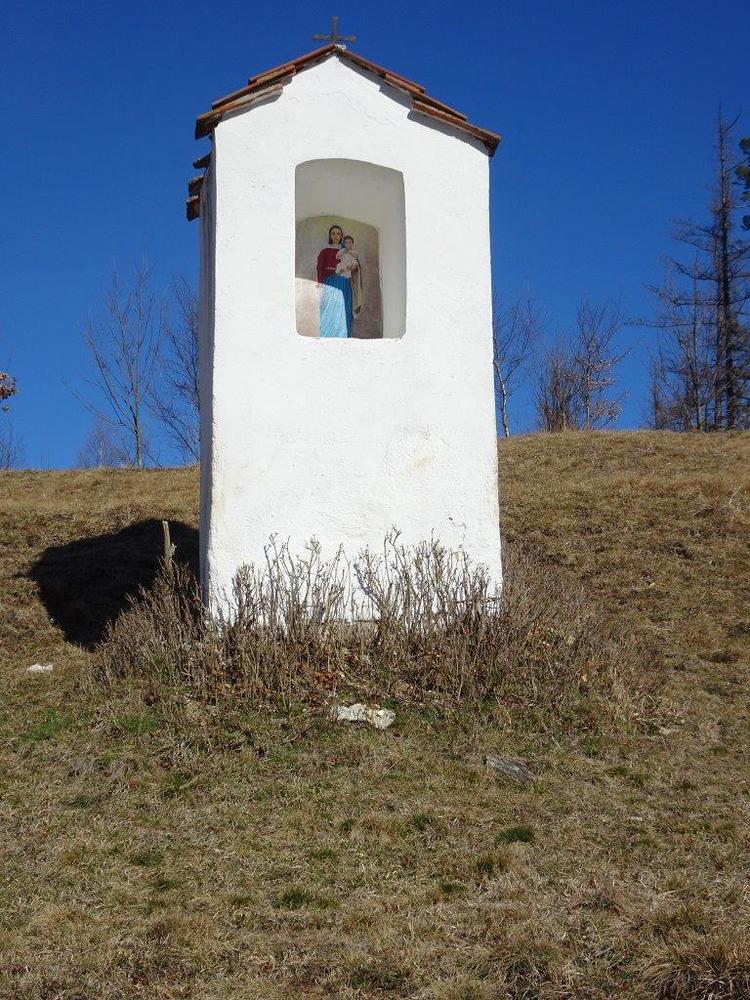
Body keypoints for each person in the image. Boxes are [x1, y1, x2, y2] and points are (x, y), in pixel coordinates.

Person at [316, 225, 357, 337]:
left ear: (341, 236)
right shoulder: (324, 252)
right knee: (329, 310)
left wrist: (353, 267)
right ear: (330, 235)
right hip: (330, 283)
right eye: (333, 233)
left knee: (344, 309)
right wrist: (320, 285)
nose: (335, 236)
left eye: (338, 233)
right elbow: (319, 269)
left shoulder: (347, 251)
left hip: (344, 283)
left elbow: (354, 266)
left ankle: (343, 337)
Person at [336, 235, 363, 319]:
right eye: (346, 242)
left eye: (350, 242)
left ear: (352, 243)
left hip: (351, 266)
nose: (348, 244)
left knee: (351, 266)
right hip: (344, 267)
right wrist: (343, 252)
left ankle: (354, 308)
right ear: (344, 244)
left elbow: (356, 256)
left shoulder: (353, 252)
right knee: (342, 269)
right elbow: (337, 256)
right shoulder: (342, 251)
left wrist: (349, 252)